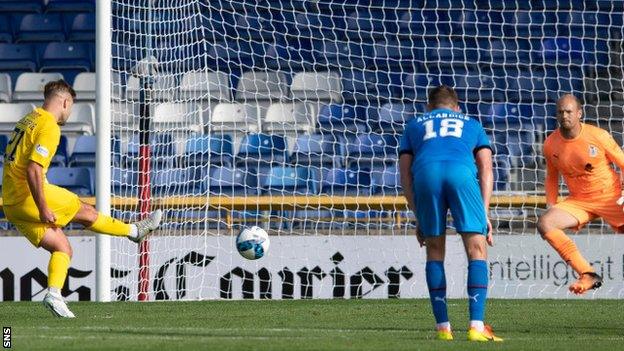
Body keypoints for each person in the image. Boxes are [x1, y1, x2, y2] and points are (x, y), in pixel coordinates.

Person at [2, 80, 162, 318]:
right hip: (27, 196)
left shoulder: (29, 119)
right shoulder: (49, 125)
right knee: (85, 210)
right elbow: (33, 169)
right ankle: (134, 231)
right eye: (71, 106)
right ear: (65, 101)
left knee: (62, 247)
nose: (69, 112)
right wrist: (43, 207)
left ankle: (54, 295)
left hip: (11, 203)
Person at [399, 85, 502, 342]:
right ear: (457, 107)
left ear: (428, 107)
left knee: (434, 251)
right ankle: (476, 327)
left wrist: (419, 215)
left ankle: (443, 328)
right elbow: (486, 169)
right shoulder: (472, 123)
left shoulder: (414, 125)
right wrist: (484, 213)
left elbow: (404, 176)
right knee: (477, 250)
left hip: (426, 176)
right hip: (461, 175)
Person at [537, 93, 624, 295]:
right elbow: (551, 176)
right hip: (579, 201)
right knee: (545, 223)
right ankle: (588, 274)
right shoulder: (550, 144)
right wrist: (551, 204)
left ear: (579, 113)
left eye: (568, 111)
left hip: (611, 196)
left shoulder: (598, 136)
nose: (564, 115)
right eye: (560, 112)